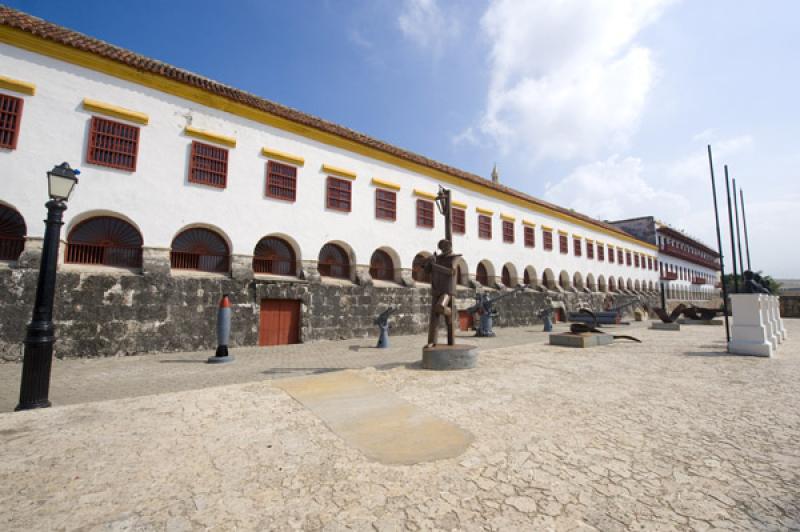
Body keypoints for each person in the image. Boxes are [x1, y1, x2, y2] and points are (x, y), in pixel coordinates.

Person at [424, 239, 461, 347]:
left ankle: (450, 314)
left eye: (445, 246)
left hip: (447, 290)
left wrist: (435, 265)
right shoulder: (438, 258)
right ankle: (432, 341)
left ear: (449, 246)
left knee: (440, 307)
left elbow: (451, 271)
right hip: (436, 289)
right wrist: (429, 262)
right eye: (441, 247)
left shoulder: (455, 257)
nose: (443, 249)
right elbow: (427, 271)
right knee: (434, 318)